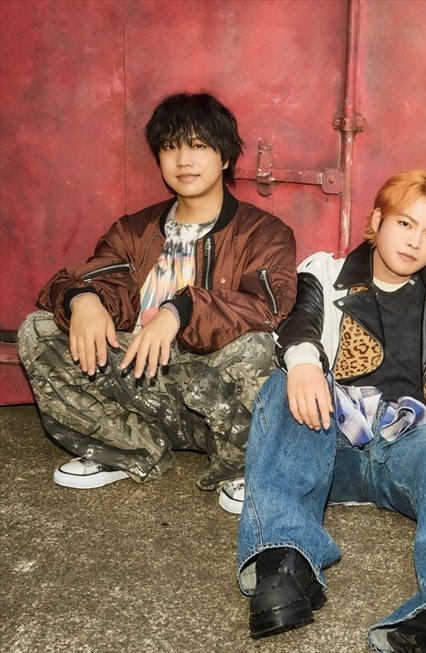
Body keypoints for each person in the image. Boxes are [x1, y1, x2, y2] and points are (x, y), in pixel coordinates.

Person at [236, 170, 426, 653]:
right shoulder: (327, 272)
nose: (415, 242)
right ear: (377, 220)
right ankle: (284, 563)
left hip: (409, 442)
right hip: (329, 439)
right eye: (405, 224)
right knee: (288, 383)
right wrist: (303, 362)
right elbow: (301, 321)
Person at [17, 91, 297, 512]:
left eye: (198, 146)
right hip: (141, 386)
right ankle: (127, 449)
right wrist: (83, 298)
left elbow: (266, 307)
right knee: (38, 330)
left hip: (213, 400)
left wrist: (180, 310)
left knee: (256, 345)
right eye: (170, 147)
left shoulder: (264, 233)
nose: (183, 160)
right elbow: (94, 275)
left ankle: (240, 468)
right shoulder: (135, 229)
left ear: (224, 157)